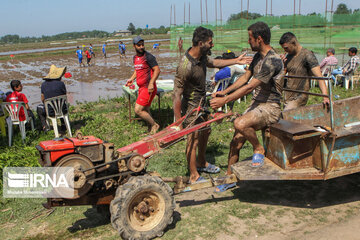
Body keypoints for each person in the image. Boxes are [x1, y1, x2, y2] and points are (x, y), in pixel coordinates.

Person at [210, 21, 284, 192]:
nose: (248, 42)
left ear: (259, 39)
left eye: (250, 38)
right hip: (256, 104)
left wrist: (225, 101)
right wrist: (224, 92)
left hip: (270, 106)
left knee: (240, 123)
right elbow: (244, 79)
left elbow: (250, 87)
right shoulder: (258, 57)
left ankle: (258, 148)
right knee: (235, 142)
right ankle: (229, 177)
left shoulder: (272, 60)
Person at [173, 26, 252, 184]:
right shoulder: (185, 65)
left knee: (205, 132)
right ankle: (194, 174)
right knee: (193, 139)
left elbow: (215, 62)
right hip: (190, 108)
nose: (213, 45)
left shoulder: (202, 57)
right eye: (210, 42)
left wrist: (236, 60)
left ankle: (201, 162)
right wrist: (178, 122)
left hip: (202, 103)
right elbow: (176, 95)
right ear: (201, 43)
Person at [279, 32, 329, 110]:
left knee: (287, 114)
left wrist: (325, 96)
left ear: (294, 43)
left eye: (286, 47)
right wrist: (282, 64)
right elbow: (282, 75)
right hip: (288, 95)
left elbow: (319, 77)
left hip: (300, 96)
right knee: (288, 118)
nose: (285, 50)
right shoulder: (288, 56)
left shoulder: (307, 55)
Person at [126, 36, 160, 134]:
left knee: (138, 110)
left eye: (142, 44)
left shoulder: (148, 57)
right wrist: (131, 79)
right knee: (145, 109)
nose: (141, 47)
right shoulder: (135, 58)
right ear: (134, 46)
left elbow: (157, 70)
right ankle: (151, 129)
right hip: (141, 87)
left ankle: (154, 125)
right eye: (139, 45)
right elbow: (138, 70)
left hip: (147, 88)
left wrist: (151, 83)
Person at [36, 65, 67, 132]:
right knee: (60, 103)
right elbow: (64, 95)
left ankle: (45, 126)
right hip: (62, 110)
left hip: (50, 111)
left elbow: (42, 98)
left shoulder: (43, 85)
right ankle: (63, 123)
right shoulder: (61, 84)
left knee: (39, 108)